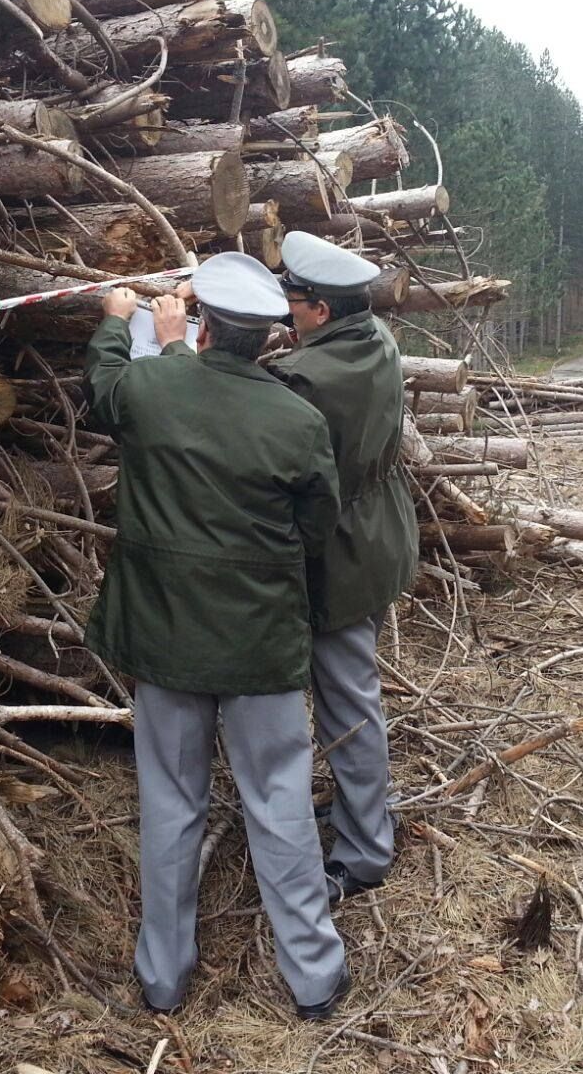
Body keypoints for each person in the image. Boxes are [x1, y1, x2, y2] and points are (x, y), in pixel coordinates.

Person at [83, 251, 351, 1020]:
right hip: (260, 645)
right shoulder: (298, 420)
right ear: (267, 338)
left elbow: (103, 388)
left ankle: (163, 977)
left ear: (202, 326)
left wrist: (117, 325)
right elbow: (316, 527)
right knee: (280, 801)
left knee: (170, 802)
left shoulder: (152, 385)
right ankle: (313, 976)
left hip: (164, 638)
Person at [272, 232, 418, 904]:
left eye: (291, 299)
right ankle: (360, 816)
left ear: (321, 312)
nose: (284, 310)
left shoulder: (310, 379)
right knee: (350, 697)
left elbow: (260, 415)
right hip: (378, 535)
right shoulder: (373, 337)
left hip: (341, 553)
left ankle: (363, 852)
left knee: (348, 707)